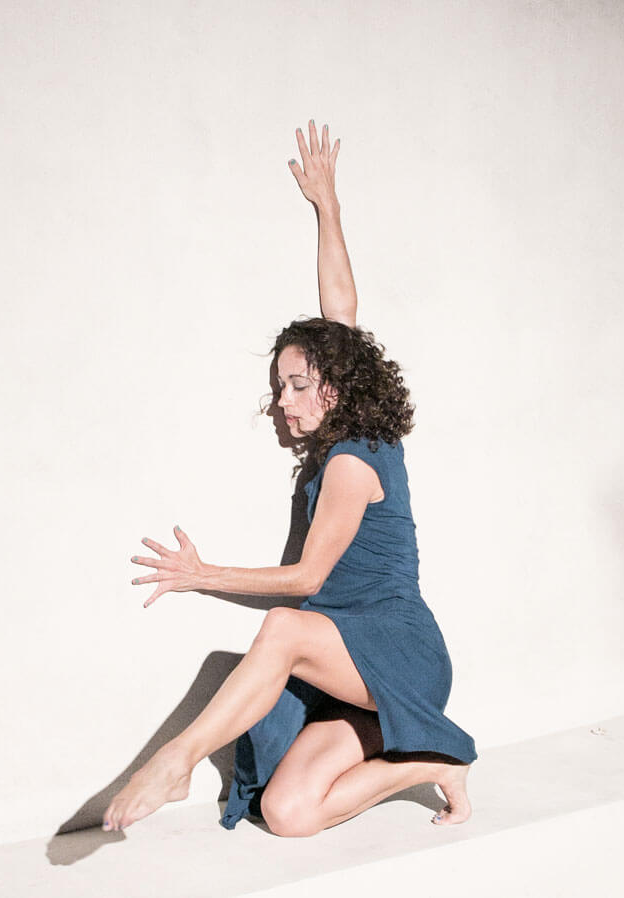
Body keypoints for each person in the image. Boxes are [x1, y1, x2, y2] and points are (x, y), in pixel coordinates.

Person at [102, 120, 477, 837]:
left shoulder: (353, 461)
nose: (283, 402)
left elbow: (305, 580)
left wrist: (201, 574)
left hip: (398, 655)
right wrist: (326, 207)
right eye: (279, 387)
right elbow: (341, 310)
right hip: (346, 662)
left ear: (337, 387)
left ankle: (178, 759)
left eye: (298, 385)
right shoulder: (346, 445)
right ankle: (435, 759)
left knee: (282, 625)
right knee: (287, 812)